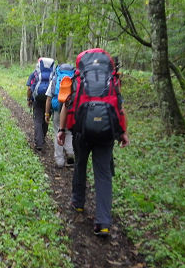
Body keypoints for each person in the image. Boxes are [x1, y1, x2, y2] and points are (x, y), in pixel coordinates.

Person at [57, 49, 130, 237]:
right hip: (106, 132)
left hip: (81, 130)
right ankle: (103, 222)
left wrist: (62, 130)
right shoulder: (112, 79)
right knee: (104, 174)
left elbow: (67, 104)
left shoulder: (76, 78)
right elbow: (119, 106)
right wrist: (123, 132)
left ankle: (78, 202)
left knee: (80, 165)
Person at [45, 63, 75, 168]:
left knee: (58, 132)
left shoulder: (55, 79)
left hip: (58, 109)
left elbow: (49, 98)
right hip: (71, 110)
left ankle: (59, 160)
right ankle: (70, 152)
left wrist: (47, 113)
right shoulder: (74, 79)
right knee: (69, 132)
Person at [26, 57, 54, 151]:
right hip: (49, 100)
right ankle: (42, 138)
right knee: (46, 119)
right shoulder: (53, 74)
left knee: (38, 120)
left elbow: (29, 88)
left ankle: (39, 143)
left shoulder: (35, 73)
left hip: (37, 99)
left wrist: (29, 99)